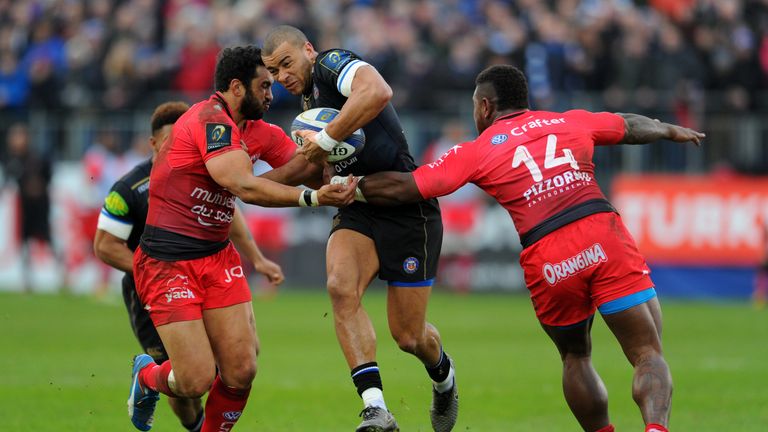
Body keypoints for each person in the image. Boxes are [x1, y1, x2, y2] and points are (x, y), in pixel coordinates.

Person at [339, 65, 705, 432]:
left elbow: (409, 186)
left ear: (484, 107)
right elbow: (627, 125)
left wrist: (347, 187)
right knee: (646, 352)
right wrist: (669, 129)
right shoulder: (569, 121)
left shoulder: (477, 150)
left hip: (547, 254)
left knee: (575, 356)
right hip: (599, 232)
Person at [126, 45, 357, 432]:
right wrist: (314, 198)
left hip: (217, 256)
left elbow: (307, 170)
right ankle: (146, 375)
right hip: (167, 261)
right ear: (237, 87)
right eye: (264, 85)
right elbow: (243, 187)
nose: (272, 93)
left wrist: (343, 164)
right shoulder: (209, 121)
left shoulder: (258, 131)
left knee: (241, 369)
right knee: (195, 379)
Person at [262, 25, 457, 432]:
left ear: (308, 50)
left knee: (409, 336)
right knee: (338, 285)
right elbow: (311, 166)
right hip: (360, 206)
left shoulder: (332, 65)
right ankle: (376, 408)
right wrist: (248, 183)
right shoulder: (307, 100)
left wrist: (328, 137)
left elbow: (377, 92)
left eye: (286, 63)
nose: (281, 76)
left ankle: (444, 379)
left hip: (406, 205)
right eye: (273, 71)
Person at [93, 101, 287, 432]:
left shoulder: (205, 167)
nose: (180, 146)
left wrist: (257, 257)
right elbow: (104, 246)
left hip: (202, 271)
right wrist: (150, 270)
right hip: (154, 284)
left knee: (238, 358)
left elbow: (229, 211)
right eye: (171, 140)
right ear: (154, 144)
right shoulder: (129, 189)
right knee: (189, 381)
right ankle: (175, 406)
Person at [1, 123, 54, 293]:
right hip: (22, 209)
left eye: (19, 136)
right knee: (23, 244)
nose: (16, 141)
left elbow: (48, 177)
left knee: (48, 240)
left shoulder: (37, 158)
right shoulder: (10, 161)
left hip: (39, 207)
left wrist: (40, 187)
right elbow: (9, 182)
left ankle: (64, 274)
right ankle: (27, 279)